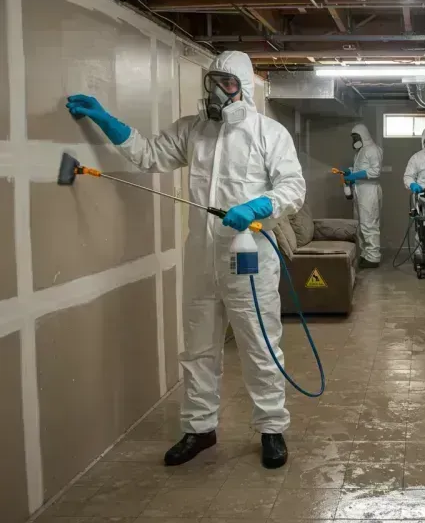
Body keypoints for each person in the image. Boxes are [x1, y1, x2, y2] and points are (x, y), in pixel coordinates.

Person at [65, 51, 305, 469]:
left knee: (259, 346)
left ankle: (271, 429)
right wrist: (106, 121)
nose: (216, 92)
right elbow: (148, 155)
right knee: (197, 348)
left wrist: (259, 205)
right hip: (200, 255)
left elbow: (293, 187)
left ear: (243, 88)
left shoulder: (270, 133)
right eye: (212, 82)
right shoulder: (192, 131)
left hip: (248, 255)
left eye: (226, 83)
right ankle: (200, 428)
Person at [341, 124, 383, 268]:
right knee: (360, 224)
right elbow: (361, 168)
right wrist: (350, 172)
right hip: (360, 190)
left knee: (369, 223)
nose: (354, 140)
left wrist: (354, 175)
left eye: (356, 137)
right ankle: (366, 254)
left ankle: (374, 257)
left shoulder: (372, 150)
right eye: (353, 138)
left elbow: (375, 171)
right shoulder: (360, 152)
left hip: (369, 191)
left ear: (363, 136)